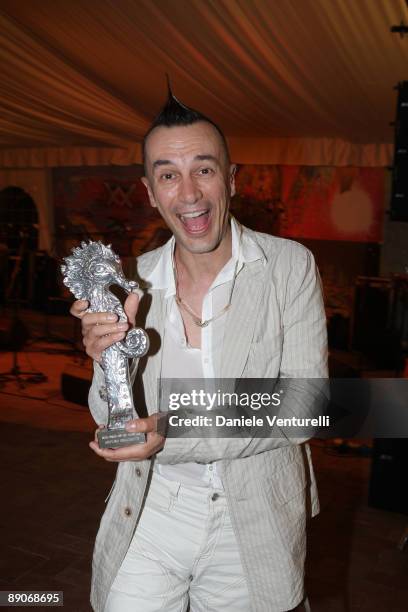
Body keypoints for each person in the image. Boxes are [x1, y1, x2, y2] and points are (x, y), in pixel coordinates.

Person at [70, 92, 328, 612]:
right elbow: (111, 415)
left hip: (252, 515)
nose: (189, 193)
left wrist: (171, 427)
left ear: (231, 178)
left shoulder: (288, 266)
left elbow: (305, 406)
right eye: (168, 175)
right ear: (149, 191)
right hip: (151, 506)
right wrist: (103, 364)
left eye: (203, 170)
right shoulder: (134, 278)